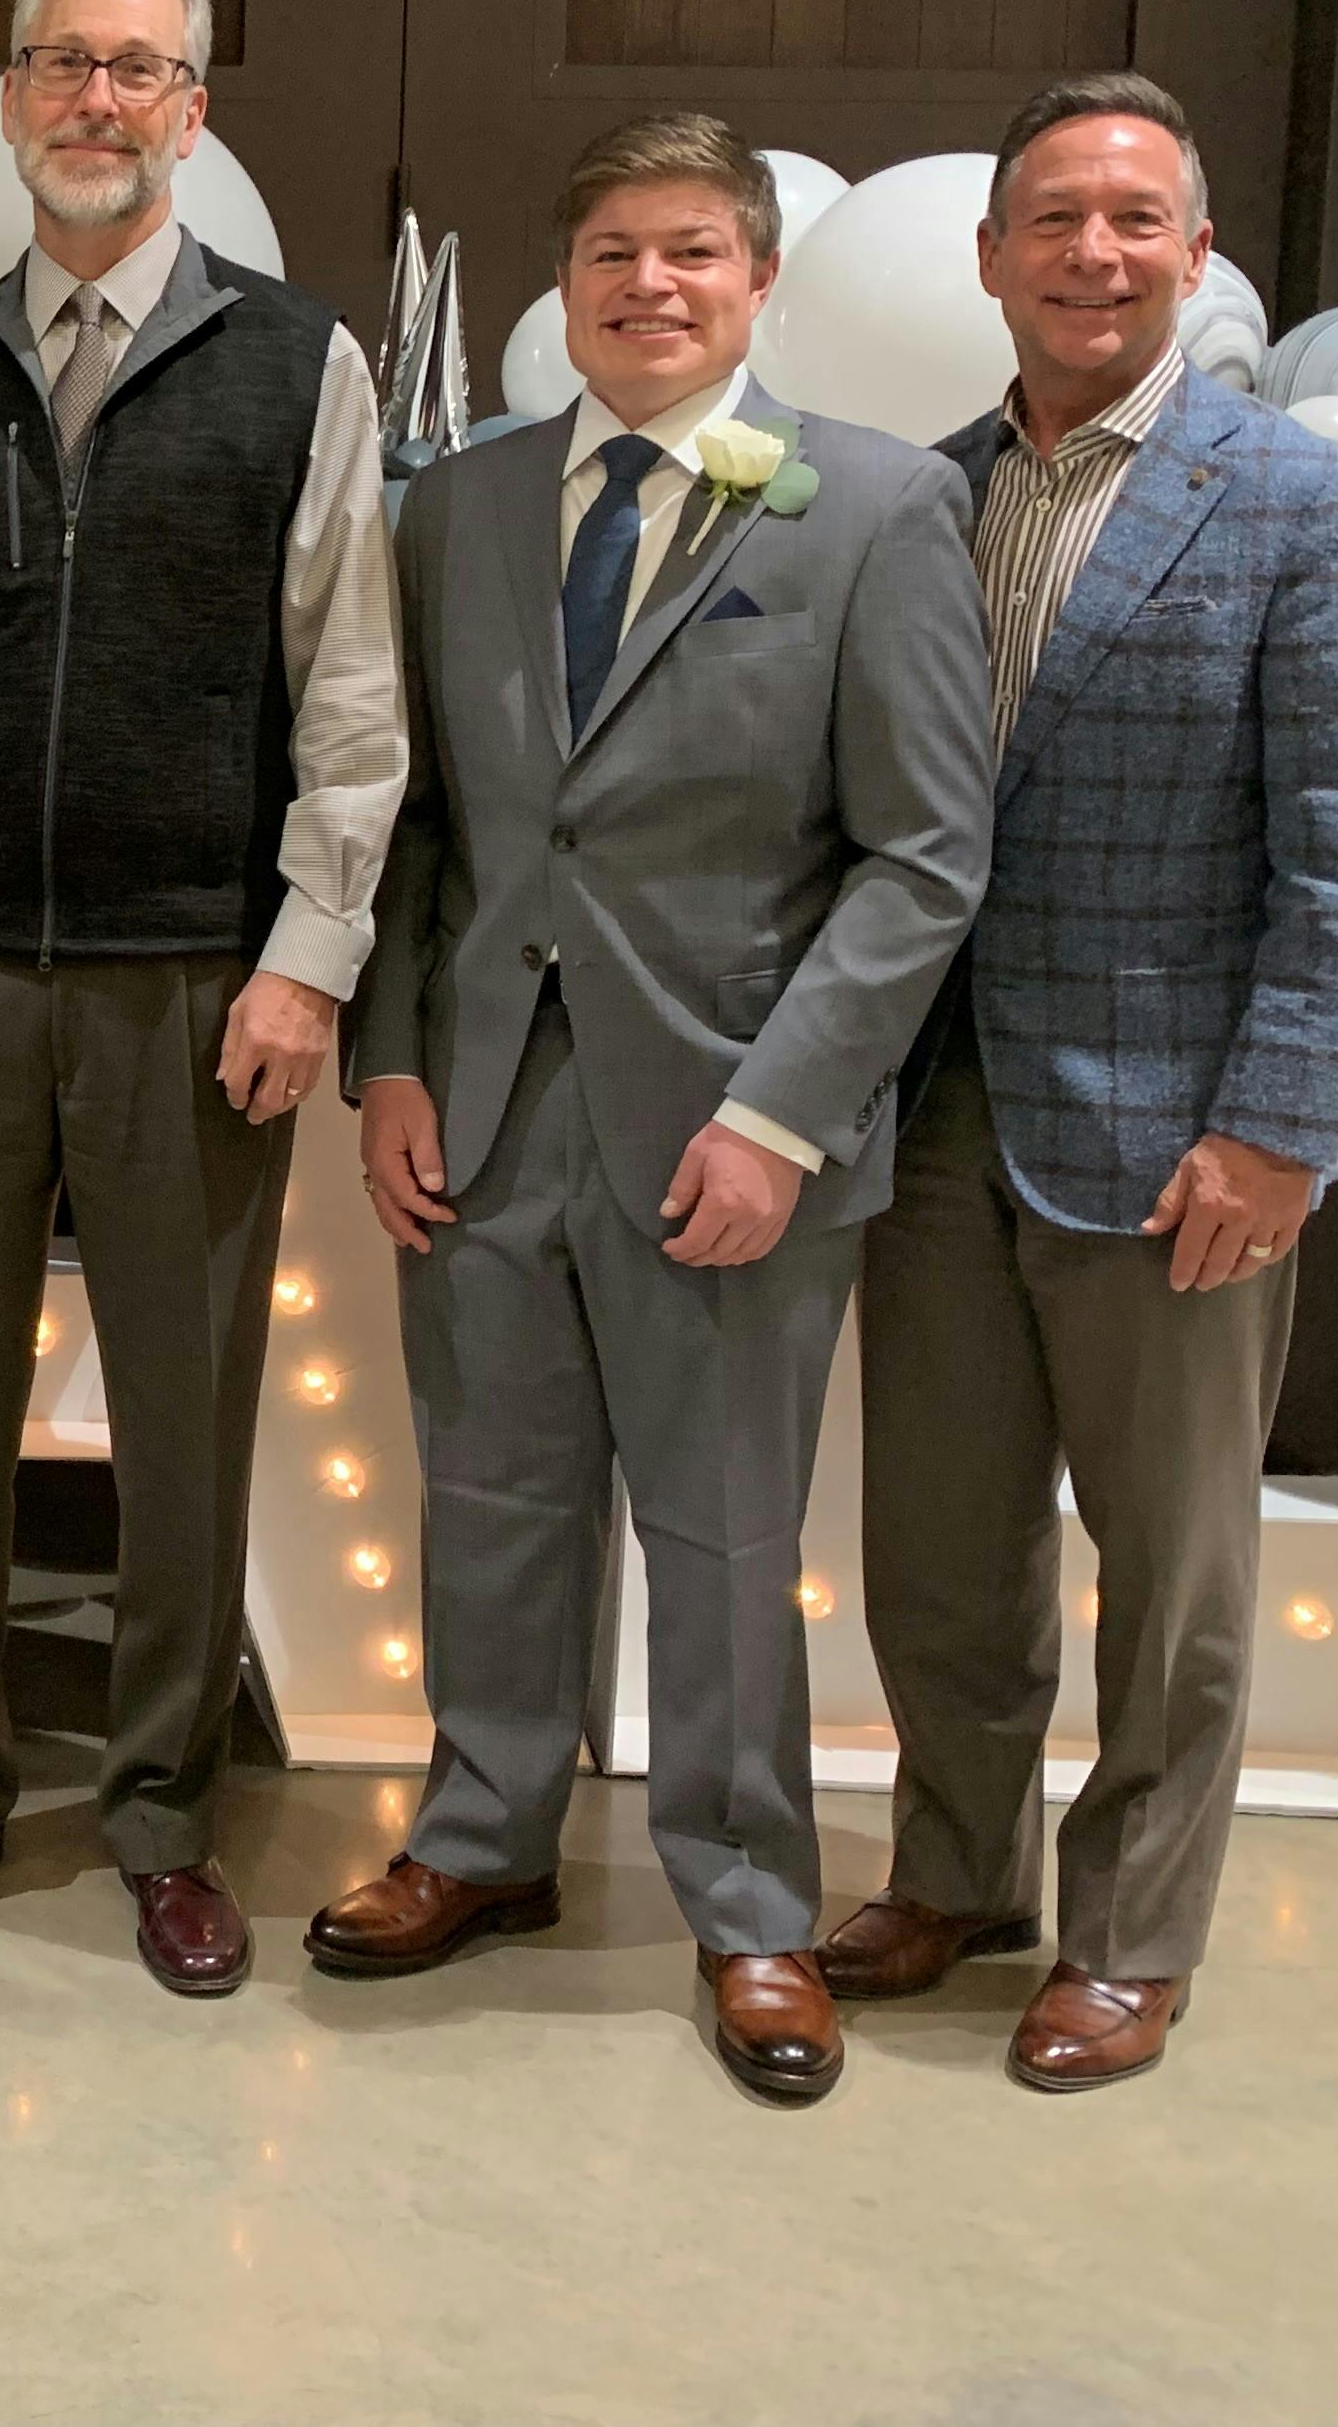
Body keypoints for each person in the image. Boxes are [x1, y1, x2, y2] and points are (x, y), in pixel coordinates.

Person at [324, 112, 993, 2103]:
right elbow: (415, 820)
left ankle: (751, 1903)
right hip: (484, 1107)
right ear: (567, 284)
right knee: (492, 1505)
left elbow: (924, 858)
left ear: (760, 279)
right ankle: (483, 1837)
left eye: (693, 250)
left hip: (730, 1130)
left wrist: (783, 1118)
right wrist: (388, 1061)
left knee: (722, 1536)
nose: (650, 285)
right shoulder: (460, 503)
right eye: (612, 250)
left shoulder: (874, 510)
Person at [0, 0, 404, 1998]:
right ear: (9, 98)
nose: (95, 101)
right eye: (62, 62)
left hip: (194, 984)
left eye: (137, 70)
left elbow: (353, 695)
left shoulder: (299, 368)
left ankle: (160, 1814)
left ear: (192, 114)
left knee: (186, 1413)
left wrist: (309, 956)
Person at [823, 76, 1338, 2091]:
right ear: (992, 256)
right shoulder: (921, 497)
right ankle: (956, 1873)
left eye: (1136, 219)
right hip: (933, 1114)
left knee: (1174, 1577)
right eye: (1057, 220)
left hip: (1185, 1135)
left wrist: (1280, 1124)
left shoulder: (1305, 502)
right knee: (939, 1543)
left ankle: (1135, 1935)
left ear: (1195, 253)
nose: (1095, 253)